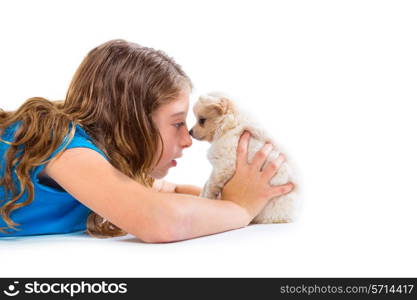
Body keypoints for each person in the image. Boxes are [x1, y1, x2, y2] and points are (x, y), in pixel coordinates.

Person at [0, 39, 294, 243]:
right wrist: (239, 209)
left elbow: (168, 193)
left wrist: (237, 199)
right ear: (131, 122)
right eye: (177, 123)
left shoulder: (102, 169)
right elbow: (158, 220)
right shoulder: (61, 143)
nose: (188, 139)